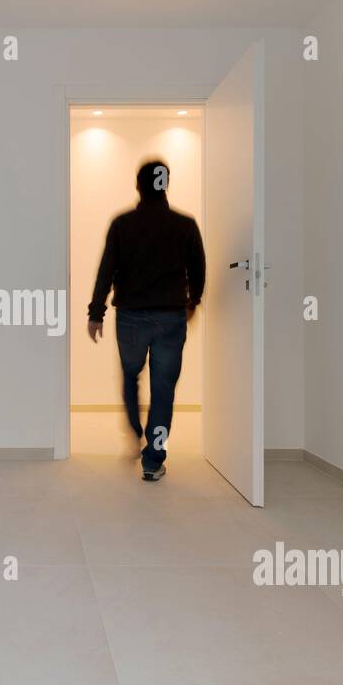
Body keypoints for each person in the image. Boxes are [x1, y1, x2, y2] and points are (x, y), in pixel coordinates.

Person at [87, 159, 206, 482]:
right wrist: (193, 300)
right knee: (164, 391)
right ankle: (153, 460)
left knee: (130, 375)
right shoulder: (185, 224)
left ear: (138, 185)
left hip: (130, 318)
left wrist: (96, 313)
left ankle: (136, 430)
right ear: (165, 185)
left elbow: (106, 269)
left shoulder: (122, 224)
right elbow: (198, 268)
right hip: (171, 317)